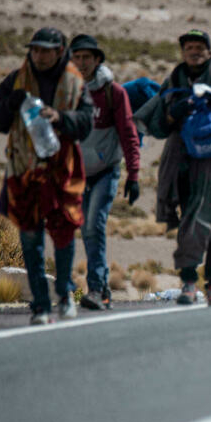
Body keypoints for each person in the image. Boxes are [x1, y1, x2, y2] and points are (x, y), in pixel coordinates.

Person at [135, 29, 211, 306]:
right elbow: (157, 126)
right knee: (190, 217)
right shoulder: (174, 81)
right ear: (183, 52)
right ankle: (189, 281)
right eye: (189, 47)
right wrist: (174, 111)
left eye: (199, 47)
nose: (194, 51)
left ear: (209, 52)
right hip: (183, 163)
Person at [0, 27, 95, 324]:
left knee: (63, 231)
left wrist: (61, 117)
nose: (39, 55)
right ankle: (40, 304)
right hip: (24, 170)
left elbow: (86, 122)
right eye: (35, 49)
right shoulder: (16, 80)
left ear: (60, 51)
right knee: (30, 236)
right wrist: (11, 103)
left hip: (63, 171)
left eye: (46, 50)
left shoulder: (75, 82)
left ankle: (64, 291)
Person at [69, 34, 141, 310]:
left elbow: (128, 133)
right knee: (84, 230)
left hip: (106, 171)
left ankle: (96, 289)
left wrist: (133, 175)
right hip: (76, 173)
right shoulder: (67, 93)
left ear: (97, 60)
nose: (83, 62)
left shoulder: (113, 93)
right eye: (77, 57)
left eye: (88, 57)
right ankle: (103, 287)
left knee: (94, 226)